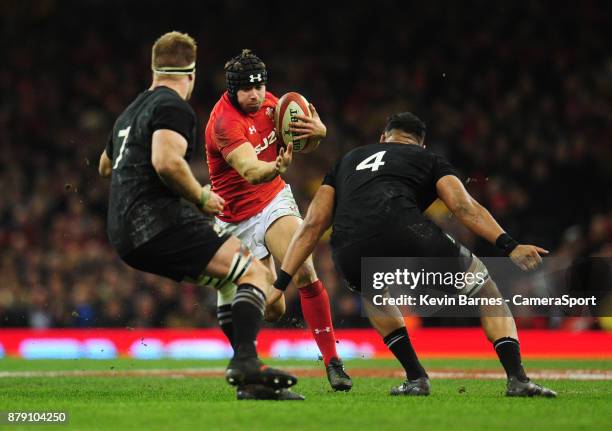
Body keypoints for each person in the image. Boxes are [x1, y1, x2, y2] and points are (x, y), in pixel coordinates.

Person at [274, 112, 557, 398]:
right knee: (484, 288)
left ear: (383, 138)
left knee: (374, 294)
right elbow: (463, 207)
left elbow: (312, 224)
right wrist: (510, 245)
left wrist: (281, 283)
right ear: (419, 145)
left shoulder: (346, 161)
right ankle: (517, 379)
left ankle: (415, 377)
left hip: (349, 245)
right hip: (407, 229)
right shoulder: (428, 159)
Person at [98, 32, 301, 400]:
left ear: (154, 68)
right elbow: (165, 161)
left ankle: (249, 378)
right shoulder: (173, 106)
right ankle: (246, 365)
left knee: (230, 281)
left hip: (121, 231)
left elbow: (105, 167)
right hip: (156, 222)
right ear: (189, 75)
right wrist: (200, 195)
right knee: (254, 272)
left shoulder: (130, 112)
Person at [204, 49, 352, 391]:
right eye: (246, 89)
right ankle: (248, 367)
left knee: (304, 270)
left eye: (259, 87)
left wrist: (320, 130)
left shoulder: (274, 104)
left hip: (272, 201)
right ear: (232, 90)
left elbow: (305, 144)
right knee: (272, 309)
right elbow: (250, 169)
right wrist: (274, 167)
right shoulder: (224, 123)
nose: (255, 95)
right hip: (234, 219)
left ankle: (333, 363)